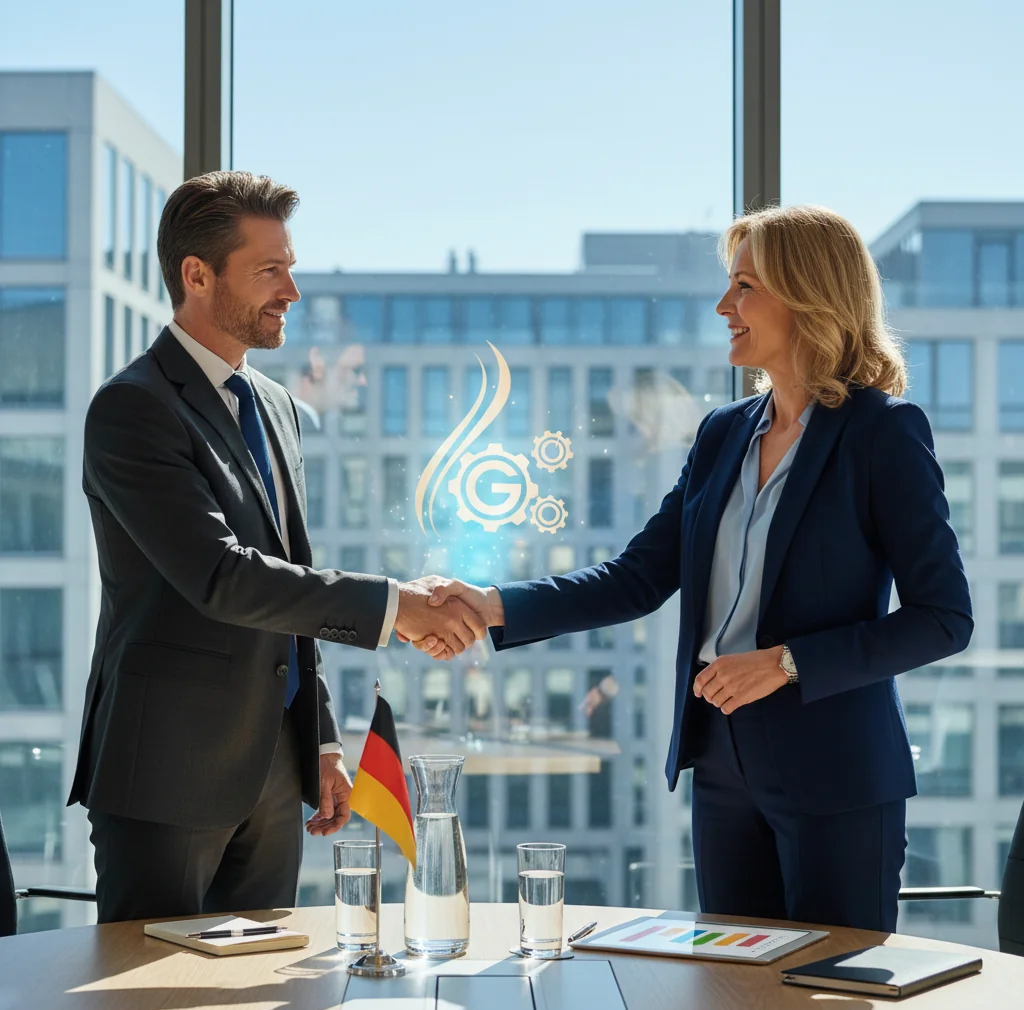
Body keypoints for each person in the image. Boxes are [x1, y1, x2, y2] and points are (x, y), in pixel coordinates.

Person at [412, 205, 974, 932]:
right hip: (722, 762)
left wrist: (789, 662)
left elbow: (945, 618)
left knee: (830, 996)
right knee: (733, 989)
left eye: (745, 286)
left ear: (807, 294)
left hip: (837, 772)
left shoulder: (883, 433)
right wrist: (490, 605)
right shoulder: (723, 434)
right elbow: (638, 576)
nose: (724, 307)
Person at [69, 171, 484, 924]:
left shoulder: (275, 406)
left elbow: (289, 575)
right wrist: (399, 608)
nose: (291, 290)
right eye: (270, 270)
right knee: (146, 997)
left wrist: (318, 738)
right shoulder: (132, 410)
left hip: (270, 772)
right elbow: (224, 577)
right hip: (166, 776)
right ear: (197, 275)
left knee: (258, 987)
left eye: (289, 267)